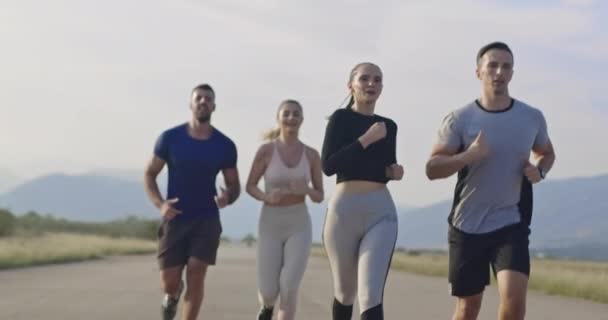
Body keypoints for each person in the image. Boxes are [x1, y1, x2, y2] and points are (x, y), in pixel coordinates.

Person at [425, 42, 556, 320]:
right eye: (492, 66)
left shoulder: (531, 117)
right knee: (468, 307)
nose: (499, 71)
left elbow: (546, 153)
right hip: (467, 225)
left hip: (510, 222)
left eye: (506, 66)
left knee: (514, 300)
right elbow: (432, 168)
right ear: (478, 72)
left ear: (512, 73)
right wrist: (469, 155)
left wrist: (540, 171)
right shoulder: (460, 119)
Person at [144, 83, 241, 320]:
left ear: (214, 106)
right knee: (170, 283)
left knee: (197, 272)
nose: (203, 102)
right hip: (175, 217)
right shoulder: (169, 138)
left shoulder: (224, 145)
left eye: (208, 99)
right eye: (199, 98)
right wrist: (161, 204)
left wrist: (227, 197)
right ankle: (171, 297)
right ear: (191, 103)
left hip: (206, 218)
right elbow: (149, 174)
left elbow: (234, 185)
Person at [321, 62, 404, 320]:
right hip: (343, 211)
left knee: (369, 295)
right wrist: (366, 139)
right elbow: (329, 166)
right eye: (364, 78)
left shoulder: (389, 126)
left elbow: (381, 170)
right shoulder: (340, 119)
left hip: (380, 211)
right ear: (351, 86)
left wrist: (393, 173)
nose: (371, 84)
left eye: (377, 80)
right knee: (345, 293)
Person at [246, 99, 324, 320]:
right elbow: (250, 185)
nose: (291, 117)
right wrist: (266, 196)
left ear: (302, 119)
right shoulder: (266, 151)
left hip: (298, 223)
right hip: (270, 222)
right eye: (287, 113)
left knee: (289, 286)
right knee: (269, 292)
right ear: (278, 118)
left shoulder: (311, 155)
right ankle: (266, 308)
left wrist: (306, 189)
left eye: (296, 114)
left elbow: (319, 196)